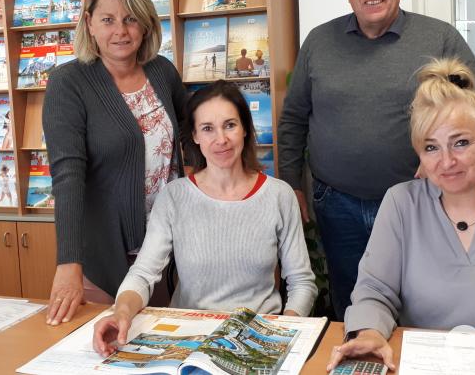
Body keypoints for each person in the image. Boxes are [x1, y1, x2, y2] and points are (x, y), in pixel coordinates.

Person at [277, 0, 475, 321]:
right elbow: (294, 119)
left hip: (423, 201)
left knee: (424, 303)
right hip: (339, 205)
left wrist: (443, 155)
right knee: (353, 303)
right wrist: (291, 186)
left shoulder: (439, 38)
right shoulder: (318, 42)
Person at [326, 58, 475, 372]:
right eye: (432, 148)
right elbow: (374, 290)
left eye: (461, 143)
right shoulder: (401, 203)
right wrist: (370, 331)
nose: (447, 161)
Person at [91, 80, 317, 356]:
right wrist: (121, 313)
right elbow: (143, 273)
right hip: (188, 341)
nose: (220, 139)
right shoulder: (174, 197)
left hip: (257, 340)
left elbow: (302, 282)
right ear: (195, 136)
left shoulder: (279, 195)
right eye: (208, 129)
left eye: (230, 125)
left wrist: (283, 330)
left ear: (246, 129)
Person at [43, 0, 186, 326]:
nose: (120, 31)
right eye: (108, 20)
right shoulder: (68, 83)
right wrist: (68, 264)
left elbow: (192, 136)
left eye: (130, 18)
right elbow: (68, 175)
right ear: (89, 23)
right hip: (103, 256)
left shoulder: (162, 71)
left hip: (165, 250)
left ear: (145, 24)